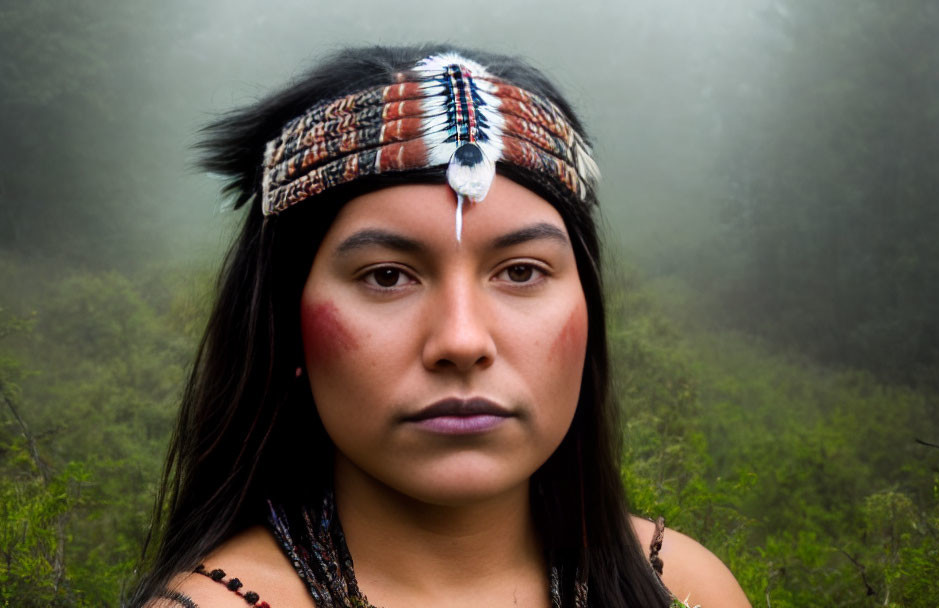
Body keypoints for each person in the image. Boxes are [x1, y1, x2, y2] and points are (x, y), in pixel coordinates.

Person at [130, 45, 749, 608]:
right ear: (282, 323)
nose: (461, 341)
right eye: (387, 277)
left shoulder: (686, 588)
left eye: (522, 272)